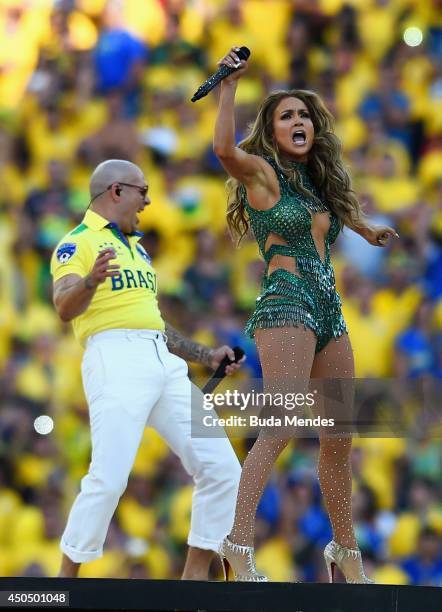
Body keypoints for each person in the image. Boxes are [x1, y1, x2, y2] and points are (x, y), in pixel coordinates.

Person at [213, 47, 399, 583]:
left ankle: (345, 552)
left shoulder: (317, 183)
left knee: (340, 437)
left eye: (304, 115)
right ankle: (237, 543)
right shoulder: (263, 175)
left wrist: (365, 230)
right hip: (286, 304)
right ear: (271, 132)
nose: (299, 122)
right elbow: (223, 149)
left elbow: (332, 214)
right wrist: (228, 87)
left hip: (329, 313)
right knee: (283, 422)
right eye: (286, 116)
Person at [50, 159, 242, 579]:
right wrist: (89, 282)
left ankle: (194, 577)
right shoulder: (76, 242)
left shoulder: (137, 248)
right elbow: (64, 307)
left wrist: (203, 355)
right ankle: (64, 582)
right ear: (116, 191)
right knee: (110, 477)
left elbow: (152, 322)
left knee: (223, 467)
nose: (149, 200)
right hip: (113, 357)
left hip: (161, 359)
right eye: (142, 190)